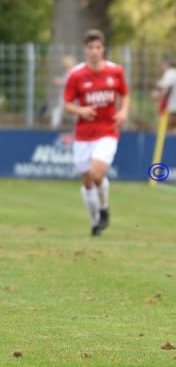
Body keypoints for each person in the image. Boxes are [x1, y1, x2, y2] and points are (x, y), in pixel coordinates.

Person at [64, 29, 129, 236]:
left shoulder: (115, 71)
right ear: (86, 49)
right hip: (83, 134)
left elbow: (125, 94)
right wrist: (80, 110)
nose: (94, 51)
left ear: (103, 49)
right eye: (90, 47)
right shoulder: (76, 75)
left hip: (107, 130)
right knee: (87, 181)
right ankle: (95, 222)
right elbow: (67, 103)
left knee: (96, 173)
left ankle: (104, 208)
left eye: (98, 47)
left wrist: (124, 111)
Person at [152, 58, 176, 134]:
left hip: (169, 105)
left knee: (164, 126)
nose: (161, 68)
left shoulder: (169, 73)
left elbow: (166, 88)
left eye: (162, 65)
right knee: (175, 126)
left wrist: (158, 95)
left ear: (166, 65)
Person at [51, 55, 77, 129]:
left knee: (59, 111)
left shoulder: (72, 72)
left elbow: (70, 83)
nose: (63, 64)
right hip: (65, 96)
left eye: (64, 63)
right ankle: (55, 126)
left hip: (69, 96)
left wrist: (59, 82)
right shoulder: (69, 72)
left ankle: (55, 126)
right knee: (58, 111)